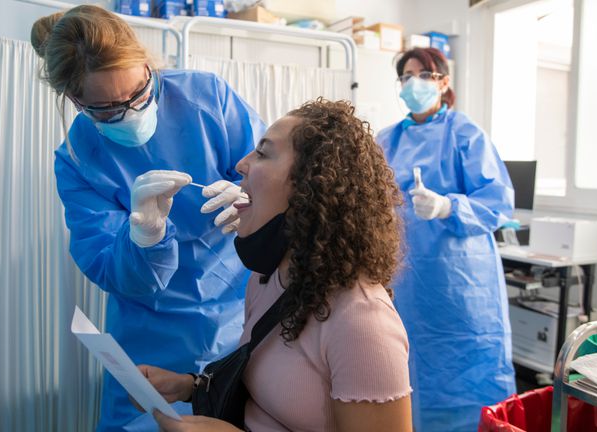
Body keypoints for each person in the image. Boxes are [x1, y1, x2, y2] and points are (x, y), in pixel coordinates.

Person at [29, 6, 265, 431]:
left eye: (140, 93)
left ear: (148, 65)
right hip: (148, 335)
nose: (132, 114)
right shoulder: (79, 159)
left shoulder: (207, 98)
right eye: (107, 110)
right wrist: (145, 235)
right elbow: (107, 266)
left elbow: (274, 173)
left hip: (237, 311)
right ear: (75, 101)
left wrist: (252, 199)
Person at [138, 99, 413, 432]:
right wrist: (188, 386)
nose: (241, 164)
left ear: (310, 186)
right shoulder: (269, 280)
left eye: (263, 153)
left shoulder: (362, 322)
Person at [375, 47, 516, 431]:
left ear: (443, 82)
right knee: (405, 367)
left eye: (424, 74)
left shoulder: (465, 133)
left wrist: (447, 207)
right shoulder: (387, 140)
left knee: (465, 372)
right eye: (406, 76)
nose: (413, 83)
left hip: (460, 284)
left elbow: (498, 201)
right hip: (403, 277)